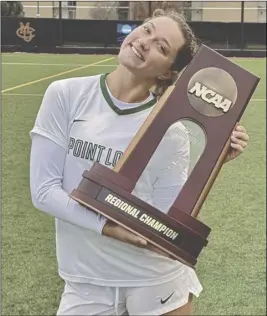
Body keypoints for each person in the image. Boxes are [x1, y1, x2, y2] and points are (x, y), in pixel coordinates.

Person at [29, 8, 249, 316]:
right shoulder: (67, 95)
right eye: (147, 30)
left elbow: (167, 211)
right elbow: (43, 191)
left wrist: (213, 164)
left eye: (161, 47)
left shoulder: (172, 131)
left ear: (168, 72)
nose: (145, 42)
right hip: (85, 279)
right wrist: (107, 227)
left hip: (155, 276)